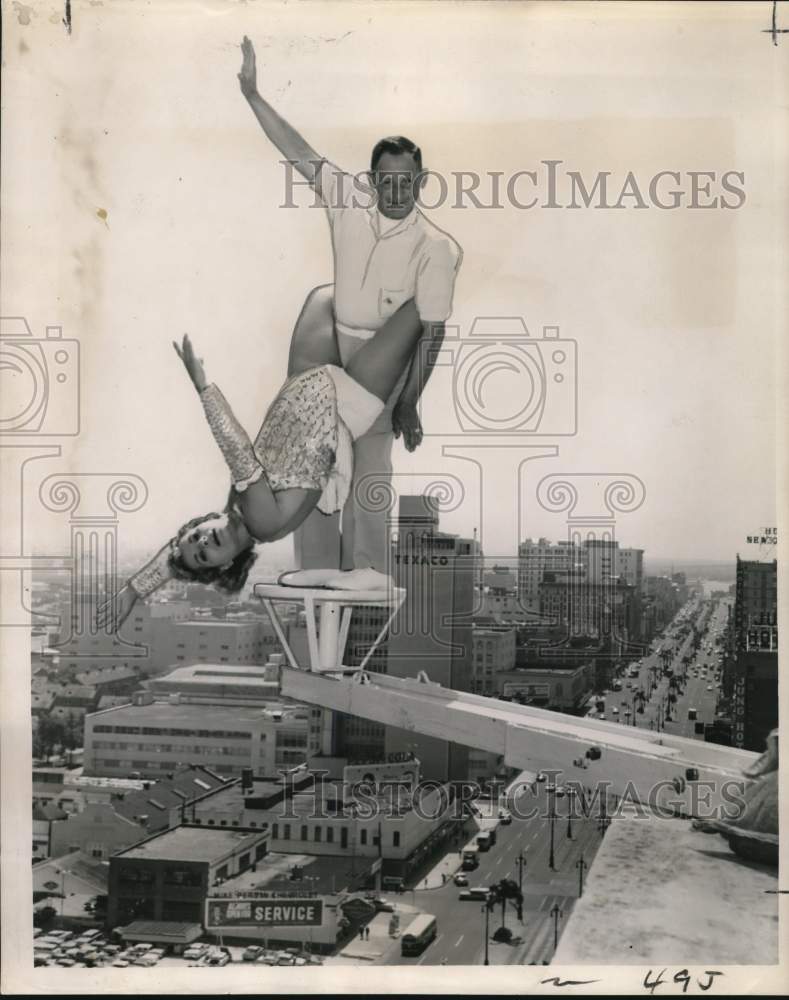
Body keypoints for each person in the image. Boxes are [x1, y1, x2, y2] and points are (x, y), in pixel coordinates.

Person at [238, 36, 462, 573]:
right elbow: (297, 151)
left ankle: (365, 571)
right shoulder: (346, 202)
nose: (395, 192)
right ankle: (314, 566)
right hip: (333, 340)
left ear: (421, 182)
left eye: (406, 182)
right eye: (386, 181)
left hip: (384, 360)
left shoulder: (437, 248)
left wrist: (411, 400)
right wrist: (252, 95)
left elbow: (431, 333)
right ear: (370, 181)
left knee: (369, 465)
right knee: (312, 456)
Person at [97, 309, 425, 632]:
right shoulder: (261, 521)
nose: (204, 541)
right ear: (224, 564)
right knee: (419, 305)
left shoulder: (235, 510)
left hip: (306, 375)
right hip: (349, 397)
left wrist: (133, 588)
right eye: (203, 555)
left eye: (195, 535)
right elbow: (238, 452)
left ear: (201, 521)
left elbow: (173, 560)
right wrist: (203, 388)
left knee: (326, 296)